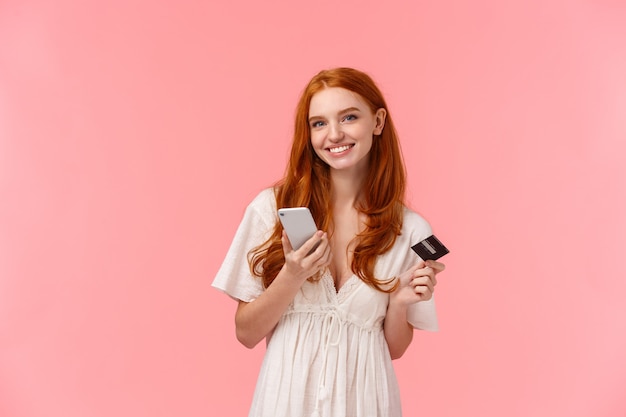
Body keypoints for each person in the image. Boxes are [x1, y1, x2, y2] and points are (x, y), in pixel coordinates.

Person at [212, 67, 446, 417]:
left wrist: (399, 303)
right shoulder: (271, 209)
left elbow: (394, 350)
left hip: (368, 403)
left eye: (349, 117)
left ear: (377, 121)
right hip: (285, 402)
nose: (334, 134)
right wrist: (291, 276)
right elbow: (245, 333)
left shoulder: (411, 230)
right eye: (319, 123)